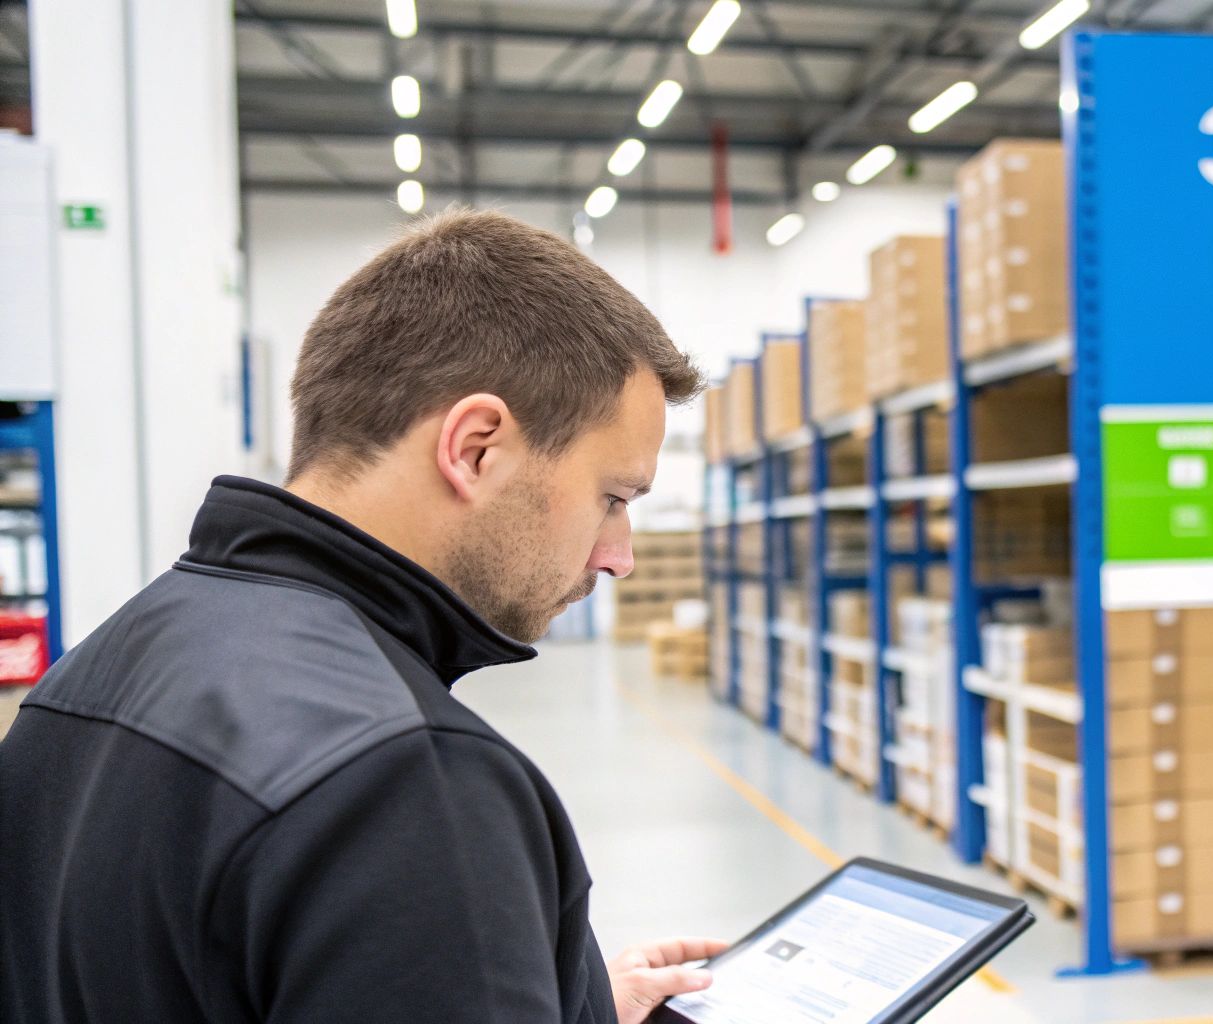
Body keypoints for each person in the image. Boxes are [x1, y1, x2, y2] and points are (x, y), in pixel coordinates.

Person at [0, 210, 726, 1022]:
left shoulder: (95, 672)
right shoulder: (409, 784)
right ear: (476, 447)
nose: (618, 554)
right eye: (613, 498)